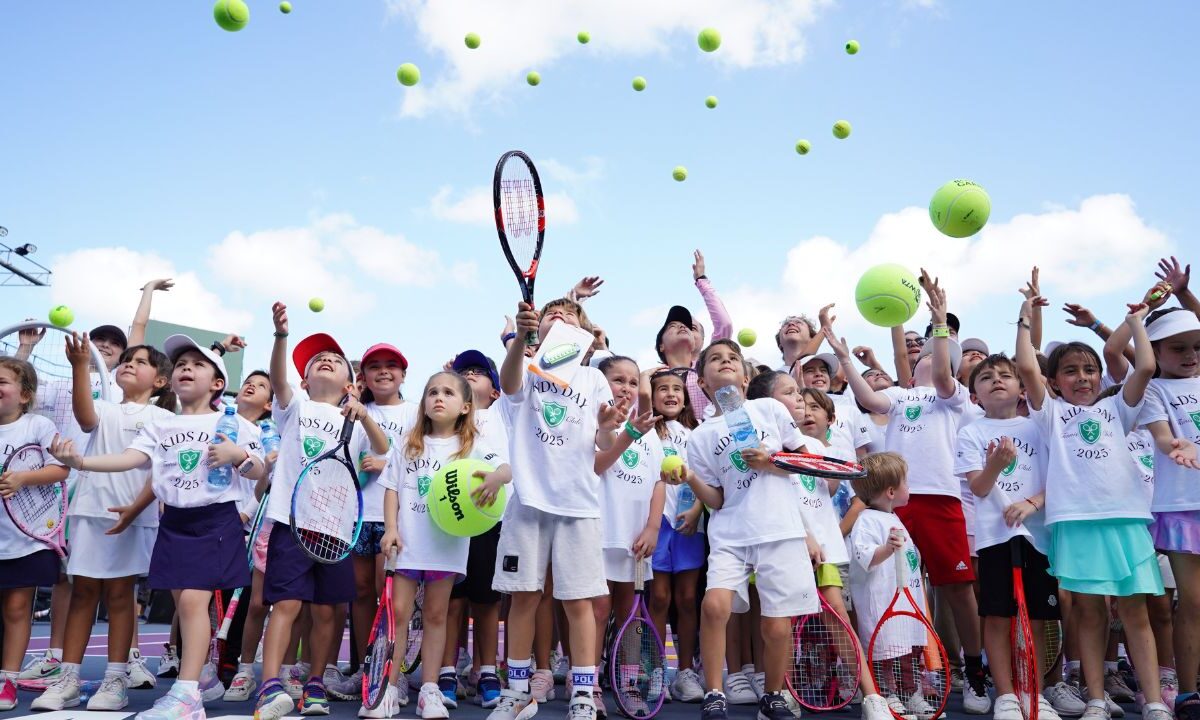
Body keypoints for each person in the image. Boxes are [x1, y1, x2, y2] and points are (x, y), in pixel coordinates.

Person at [49, 335, 267, 720]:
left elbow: (261, 475)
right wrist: (81, 463)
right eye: (181, 363)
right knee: (186, 608)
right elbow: (130, 459)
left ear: (218, 383)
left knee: (191, 603)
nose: (186, 367)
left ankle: (186, 697)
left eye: (198, 364)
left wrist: (239, 457)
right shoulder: (162, 426)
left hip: (214, 519)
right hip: (174, 523)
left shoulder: (232, 422)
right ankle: (201, 678)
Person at [825, 273, 991, 714]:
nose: (938, 363)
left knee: (956, 588)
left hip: (940, 499)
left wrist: (939, 322)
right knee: (899, 587)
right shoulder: (898, 396)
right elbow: (868, 399)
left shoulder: (953, 399)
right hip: (895, 504)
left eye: (947, 360)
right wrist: (844, 356)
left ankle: (975, 671)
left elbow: (940, 372)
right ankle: (907, 678)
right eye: (934, 357)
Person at [1014, 294, 1173, 720]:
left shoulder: (1116, 408)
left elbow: (1144, 366)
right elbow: (1027, 366)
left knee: (1134, 611)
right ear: (1055, 381)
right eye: (1070, 371)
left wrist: (1135, 317)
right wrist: (1026, 319)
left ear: (1100, 376)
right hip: (1074, 522)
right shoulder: (1048, 414)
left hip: (1124, 521)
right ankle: (1096, 700)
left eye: (1089, 370)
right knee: (1088, 612)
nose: (1082, 378)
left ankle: (1155, 701)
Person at [488, 297, 623, 720]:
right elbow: (508, 386)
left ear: (584, 333)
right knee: (524, 597)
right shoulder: (526, 368)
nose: (559, 317)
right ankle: (517, 690)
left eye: (570, 314)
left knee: (579, 601)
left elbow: (602, 445)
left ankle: (583, 692)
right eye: (551, 313)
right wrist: (518, 343)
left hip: (578, 505)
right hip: (527, 502)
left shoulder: (594, 379)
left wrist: (605, 429)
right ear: (538, 327)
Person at [253, 307, 390, 720]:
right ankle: (270, 684)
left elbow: (382, 449)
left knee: (329, 611)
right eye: (316, 361)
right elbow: (277, 379)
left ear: (351, 383)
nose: (324, 360)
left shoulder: (358, 421)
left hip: (336, 530)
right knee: (288, 604)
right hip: (293, 525)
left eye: (333, 358)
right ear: (303, 381)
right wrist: (281, 337)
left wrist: (363, 413)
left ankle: (315, 682)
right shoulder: (294, 408)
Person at [674, 339, 818, 720]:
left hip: (779, 529)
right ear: (702, 383)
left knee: (775, 623)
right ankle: (715, 692)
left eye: (732, 358)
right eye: (715, 359)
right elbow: (716, 500)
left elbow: (803, 462)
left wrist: (771, 462)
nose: (725, 362)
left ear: (745, 375)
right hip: (731, 533)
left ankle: (772, 694)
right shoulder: (700, 435)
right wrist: (689, 476)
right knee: (715, 605)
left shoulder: (769, 409)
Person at [31, 337, 175, 712]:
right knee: (82, 593)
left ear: (159, 381)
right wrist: (81, 365)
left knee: (119, 596)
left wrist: (136, 507)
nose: (129, 364)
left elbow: (156, 474)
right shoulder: (106, 408)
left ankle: (115, 679)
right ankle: (68, 678)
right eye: (126, 360)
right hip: (88, 512)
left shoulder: (164, 419)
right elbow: (84, 416)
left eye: (140, 362)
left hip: (131, 517)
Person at [377, 371, 510, 719]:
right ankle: (389, 689)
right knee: (400, 616)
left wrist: (495, 478)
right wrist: (391, 528)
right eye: (432, 391)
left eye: (448, 393)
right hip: (407, 545)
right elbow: (392, 488)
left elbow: (506, 470)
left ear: (466, 406)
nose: (438, 397)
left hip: (447, 548)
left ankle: (431, 689)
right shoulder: (409, 443)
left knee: (437, 616)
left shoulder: (472, 446)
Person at [954, 353, 1062, 720]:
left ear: (1021, 388)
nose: (996, 380)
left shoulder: (1039, 426)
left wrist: (1032, 503)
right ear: (974, 396)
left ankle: (1034, 692)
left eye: (1005, 375)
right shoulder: (970, 433)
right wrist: (995, 465)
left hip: (1039, 538)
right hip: (994, 538)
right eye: (985, 378)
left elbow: (1059, 480)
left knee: (1035, 618)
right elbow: (980, 488)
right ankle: (1006, 696)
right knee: (998, 617)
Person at [1128, 306, 1200, 720]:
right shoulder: (1154, 391)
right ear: (1157, 351)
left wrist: (1185, 293)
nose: (1190, 354)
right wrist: (1176, 445)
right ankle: (1189, 693)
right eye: (1178, 347)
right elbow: (1161, 437)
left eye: (1196, 346)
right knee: (1193, 601)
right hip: (1181, 508)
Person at [0, 357, 70, 711]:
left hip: (26, 538)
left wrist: (23, 478)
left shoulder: (38, 425)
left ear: (25, 395)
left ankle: (7, 681)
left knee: (16, 608)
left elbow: (61, 468)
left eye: (2, 382)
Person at [847, 453, 931, 720]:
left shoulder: (894, 517)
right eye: (906, 482)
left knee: (907, 652)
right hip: (881, 605)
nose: (910, 487)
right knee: (884, 653)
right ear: (892, 491)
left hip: (907, 604)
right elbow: (866, 557)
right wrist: (886, 549)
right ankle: (885, 695)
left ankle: (909, 694)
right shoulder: (866, 521)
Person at [446, 350, 505, 708]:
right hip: (448, 524)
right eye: (462, 372)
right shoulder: (445, 420)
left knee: (486, 603)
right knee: (451, 602)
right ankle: (446, 672)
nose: (469, 375)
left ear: (495, 391)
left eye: (478, 372)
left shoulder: (503, 413)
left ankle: (487, 672)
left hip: (489, 524)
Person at [643, 368, 704, 704]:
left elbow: (705, 474)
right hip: (658, 522)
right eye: (662, 388)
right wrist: (644, 375)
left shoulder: (696, 431)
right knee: (660, 598)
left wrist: (696, 510)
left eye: (677, 389)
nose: (670, 394)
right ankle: (656, 671)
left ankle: (684, 672)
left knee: (686, 598)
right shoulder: (646, 430)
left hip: (689, 522)